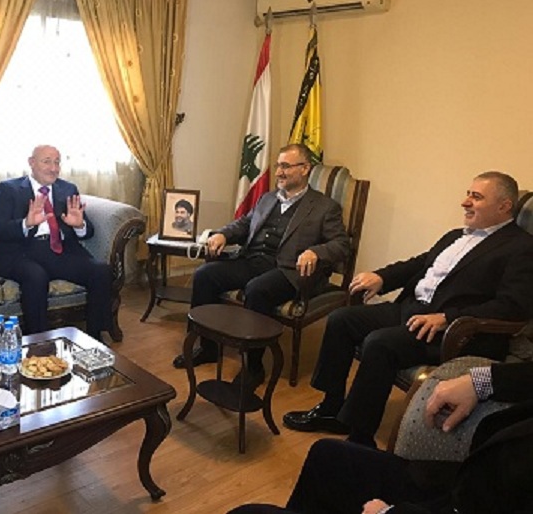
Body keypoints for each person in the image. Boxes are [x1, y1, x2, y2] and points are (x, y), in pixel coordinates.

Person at [283, 171, 533, 448]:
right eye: (467, 194)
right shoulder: (455, 236)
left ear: (504, 206)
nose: (465, 202)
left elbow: (513, 306)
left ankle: (359, 435)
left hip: (455, 332)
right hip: (412, 309)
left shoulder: (521, 247)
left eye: (476, 197)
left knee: (380, 344)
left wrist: (447, 318)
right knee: (342, 319)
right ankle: (331, 407)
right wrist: (381, 277)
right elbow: (419, 264)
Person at [227, 360, 533, 514]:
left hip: (470, 502)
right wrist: (480, 381)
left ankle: (354, 424)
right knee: (327, 455)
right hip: (461, 481)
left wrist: (390, 513)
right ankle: (335, 413)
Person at [173, 144, 350, 391]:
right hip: (252, 261)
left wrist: (316, 252)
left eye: (286, 166)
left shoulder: (324, 207)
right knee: (205, 275)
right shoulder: (267, 198)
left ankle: (253, 367)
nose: (278, 172)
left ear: (305, 169)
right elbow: (244, 224)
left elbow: (341, 245)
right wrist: (222, 234)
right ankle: (208, 348)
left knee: (257, 290)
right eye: (278, 165)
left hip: (288, 271)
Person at [0, 144, 111, 341]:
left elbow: (87, 231)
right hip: (21, 252)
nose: (53, 168)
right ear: (31, 162)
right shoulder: (9, 189)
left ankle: (94, 337)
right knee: (36, 276)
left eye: (57, 162)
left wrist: (79, 225)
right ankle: (39, 341)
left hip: (58, 250)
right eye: (47, 162)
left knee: (100, 270)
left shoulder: (68, 189)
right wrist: (26, 223)